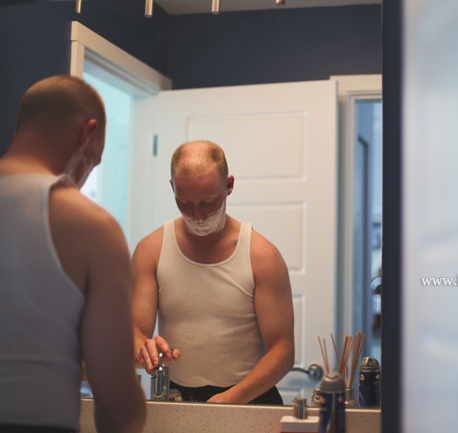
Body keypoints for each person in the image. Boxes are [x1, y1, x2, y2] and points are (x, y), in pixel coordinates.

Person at [0, 76, 147, 433]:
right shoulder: (91, 227)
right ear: (86, 133)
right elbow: (118, 410)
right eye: (94, 161)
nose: (84, 177)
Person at [132, 141, 294, 404]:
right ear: (172, 187)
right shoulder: (150, 251)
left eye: (209, 202)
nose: (197, 216)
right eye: (184, 203)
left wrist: (234, 398)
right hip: (176, 397)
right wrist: (143, 349)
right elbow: (134, 334)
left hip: (249, 397)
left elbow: (283, 349)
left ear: (229, 186)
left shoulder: (262, 256)